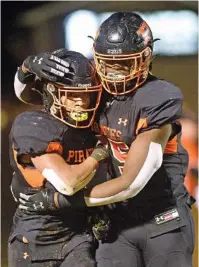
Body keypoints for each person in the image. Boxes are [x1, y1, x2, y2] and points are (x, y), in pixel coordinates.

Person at [14, 12, 195, 267]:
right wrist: (27, 68)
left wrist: (59, 201)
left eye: (123, 64)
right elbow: (40, 98)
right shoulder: (95, 92)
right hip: (115, 221)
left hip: (162, 220)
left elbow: (131, 183)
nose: (114, 73)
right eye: (107, 63)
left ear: (145, 58)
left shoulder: (157, 98)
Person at [8, 49, 109, 267]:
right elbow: (68, 183)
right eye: (72, 94)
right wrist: (98, 154)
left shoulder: (98, 122)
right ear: (51, 93)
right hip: (36, 233)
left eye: (86, 93)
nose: (81, 102)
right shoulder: (35, 125)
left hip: (79, 231)